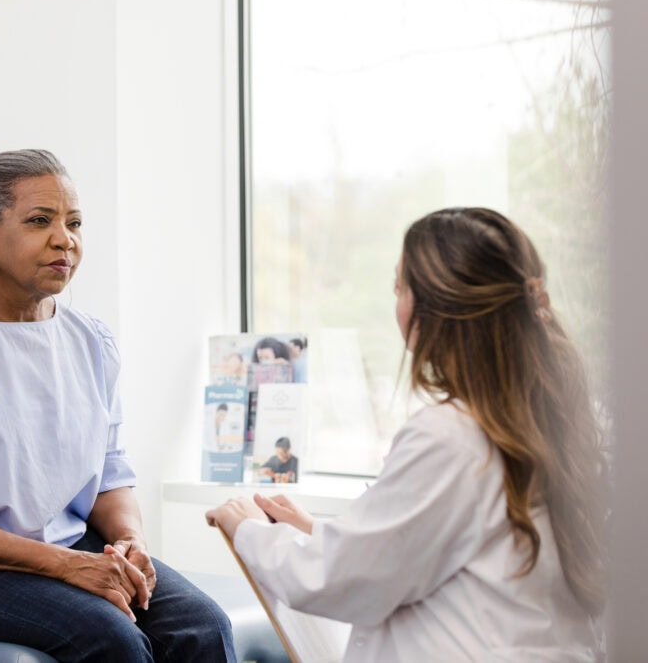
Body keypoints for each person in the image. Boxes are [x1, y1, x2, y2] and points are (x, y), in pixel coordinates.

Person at [0, 149, 236, 662]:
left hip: (62, 545)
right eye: (40, 221)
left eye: (74, 222)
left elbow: (108, 474)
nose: (65, 239)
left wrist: (129, 540)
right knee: (112, 642)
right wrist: (63, 565)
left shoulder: (90, 340)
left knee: (202, 628)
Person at [206, 207, 607, 661]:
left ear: (436, 307)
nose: (395, 301)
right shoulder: (543, 420)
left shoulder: (451, 436)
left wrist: (247, 529)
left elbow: (339, 577)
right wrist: (317, 530)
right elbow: (444, 546)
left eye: (400, 287)